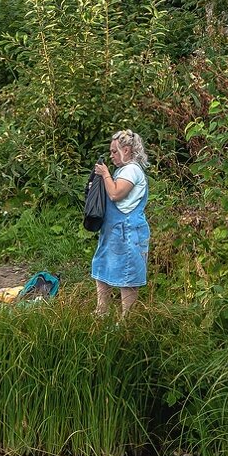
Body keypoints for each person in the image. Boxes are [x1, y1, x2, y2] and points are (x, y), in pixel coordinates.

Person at [91, 129, 150, 318]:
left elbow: (116, 194)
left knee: (128, 274)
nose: (111, 156)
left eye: (114, 151)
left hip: (128, 231)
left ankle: (127, 319)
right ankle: (102, 311)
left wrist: (106, 174)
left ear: (126, 150)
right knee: (101, 266)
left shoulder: (132, 169)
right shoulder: (122, 170)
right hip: (113, 231)